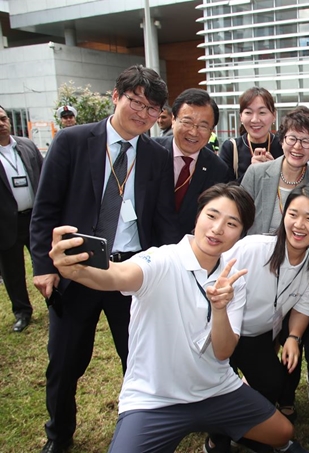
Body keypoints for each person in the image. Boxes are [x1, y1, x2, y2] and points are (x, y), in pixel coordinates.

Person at [49, 184, 306, 453]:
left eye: (232, 223)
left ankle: (219, 429)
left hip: (215, 390)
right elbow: (117, 275)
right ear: (197, 217)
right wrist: (76, 272)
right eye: (212, 216)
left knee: (283, 433)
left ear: (242, 233)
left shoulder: (233, 280)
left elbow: (223, 351)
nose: (218, 229)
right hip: (155, 399)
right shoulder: (161, 260)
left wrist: (220, 307)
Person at [30, 65, 179, 453]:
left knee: (139, 358)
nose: (143, 114)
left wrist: (170, 269)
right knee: (64, 361)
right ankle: (58, 436)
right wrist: (45, 268)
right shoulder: (72, 141)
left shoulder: (158, 155)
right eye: (136, 102)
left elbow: (162, 218)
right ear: (116, 96)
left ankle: (141, 430)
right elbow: (45, 209)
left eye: (152, 110)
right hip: (78, 265)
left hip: (130, 270)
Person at [205, 184, 309, 453]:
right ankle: (217, 437)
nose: (299, 225)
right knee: (217, 387)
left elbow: (304, 307)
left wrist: (294, 338)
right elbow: (213, 278)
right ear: (283, 215)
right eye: (293, 214)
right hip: (221, 331)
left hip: (258, 336)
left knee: (272, 383)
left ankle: (241, 427)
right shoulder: (253, 248)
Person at [240, 106, 309, 408]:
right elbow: (241, 216)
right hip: (258, 265)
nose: (298, 147)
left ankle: (286, 396)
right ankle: (250, 386)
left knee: (295, 332)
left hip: (300, 268)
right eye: (292, 138)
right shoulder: (257, 172)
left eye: (307, 141)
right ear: (281, 138)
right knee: (258, 333)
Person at [154, 88, 229, 236]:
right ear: (173, 120)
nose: (193, 132)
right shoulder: (151, 152)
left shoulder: (218, 169)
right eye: (187, 122)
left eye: (203, 126)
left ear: (211, 130)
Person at [0, 105, 43, 332]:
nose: (1, 123)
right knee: (12, 270)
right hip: (6, 223)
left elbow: (45, 177)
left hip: (34, 218)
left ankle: (53, 301)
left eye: (3, 118)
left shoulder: (26, 146)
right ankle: (22, 312)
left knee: (44, 261)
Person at [218, 87, 283, 183]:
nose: (255, 120)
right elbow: (223, 192)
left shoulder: (283, 146)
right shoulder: (231, 148)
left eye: (262, 112)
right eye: (248, 112)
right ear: (241, 117)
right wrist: (251, 171)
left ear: (274, 116)